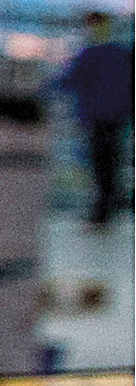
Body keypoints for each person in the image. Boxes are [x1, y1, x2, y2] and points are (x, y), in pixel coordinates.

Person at [62, 13, 131, 228]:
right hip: (117, 117)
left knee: (102, 166)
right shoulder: (120, 53)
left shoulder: (93, 53)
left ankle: (102, 213)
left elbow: (70, 80)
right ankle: (106, 210)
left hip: (99, 118)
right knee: (111, 165)